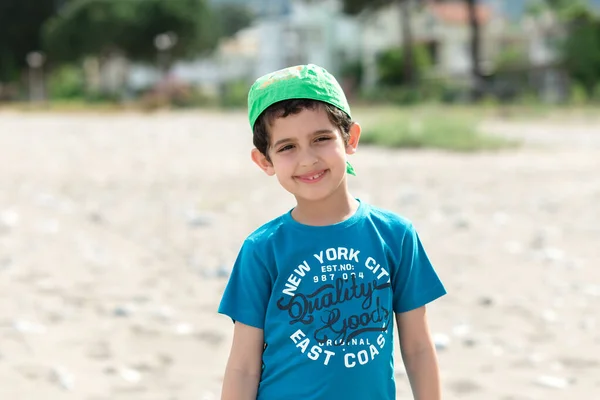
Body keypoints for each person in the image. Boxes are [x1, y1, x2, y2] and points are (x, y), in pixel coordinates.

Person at [218, 64, 446, 400]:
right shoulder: (263, 249)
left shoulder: (395, 236)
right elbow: (243, 366)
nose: (308, 159)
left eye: (321, 139)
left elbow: (418, 348)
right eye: (287, 147)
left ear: (350, 138)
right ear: (264, 161)